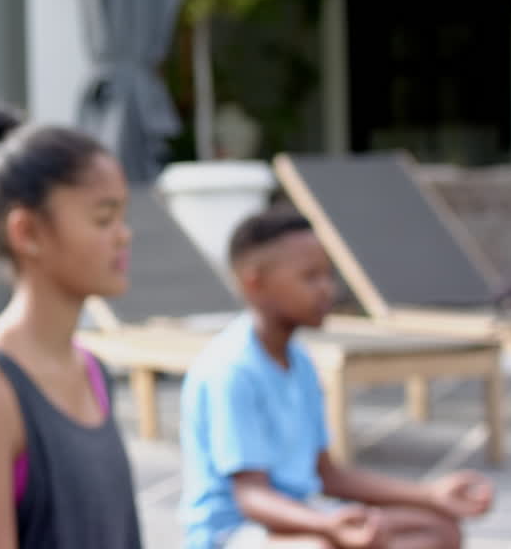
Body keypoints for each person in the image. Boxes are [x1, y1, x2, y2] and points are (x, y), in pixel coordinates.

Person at [180, 208, 494, 549]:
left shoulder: (299, 361)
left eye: (328, 275)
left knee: (439, 529)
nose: (327, 289)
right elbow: (251, 495)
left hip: (303, 512)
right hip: (236, 531)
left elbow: (327, 474)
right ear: (255, 282)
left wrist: (430, 496)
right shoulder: (231, 370)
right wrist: (326, 526)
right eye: (310, 277)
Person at [0, 105, 142, 548]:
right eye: (103, 218)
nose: (124, 236)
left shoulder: (93, 371)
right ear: (27, 232)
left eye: (122, 217)